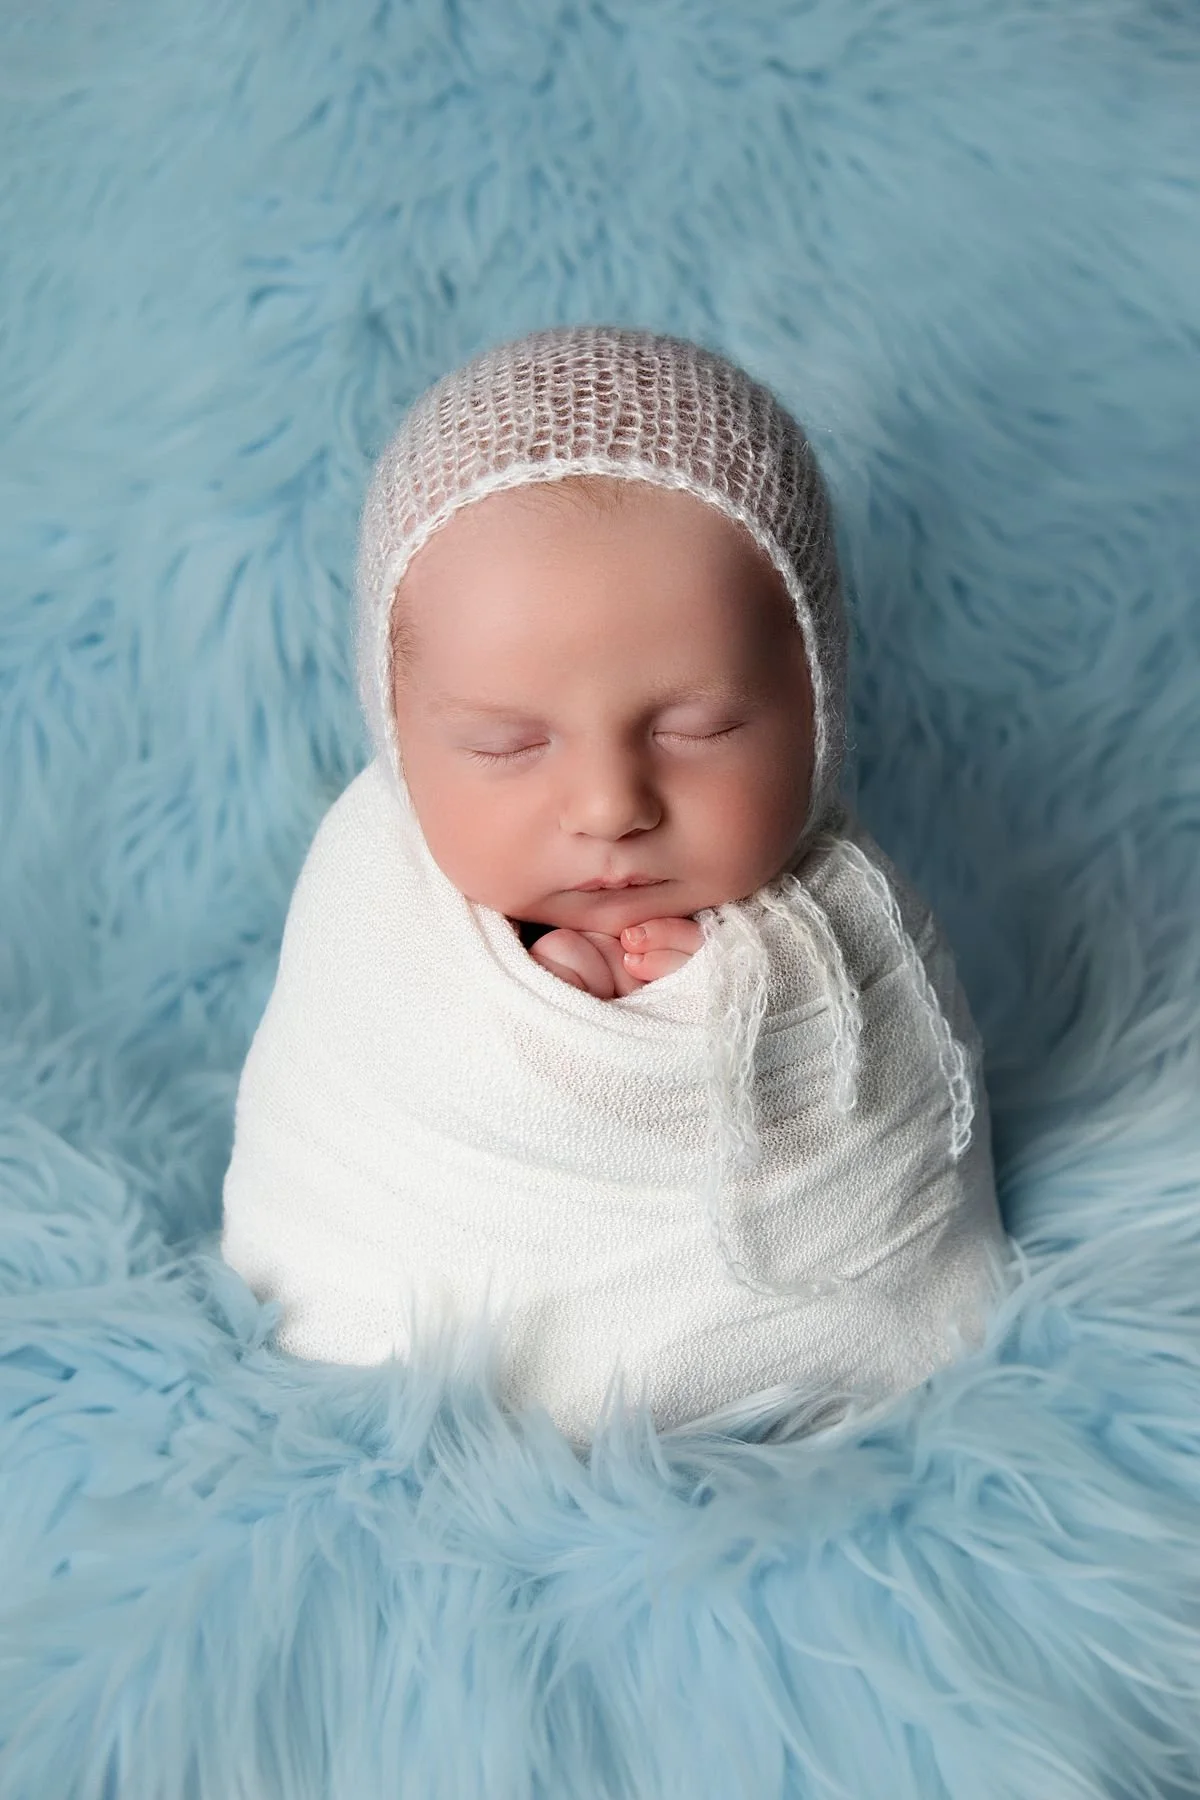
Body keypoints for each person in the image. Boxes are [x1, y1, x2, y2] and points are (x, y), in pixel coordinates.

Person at [220, 324, 1014, 1448]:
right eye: (504, 744)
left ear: (816, 702)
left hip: (798, 1376)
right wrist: (536, 1027)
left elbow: (890, 1117)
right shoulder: (371, 896)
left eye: (703, 728)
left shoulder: (853, 919)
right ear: (399, 734)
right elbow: (342, 1113)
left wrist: (755, 1006)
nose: (609, 804)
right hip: (413, 1364)